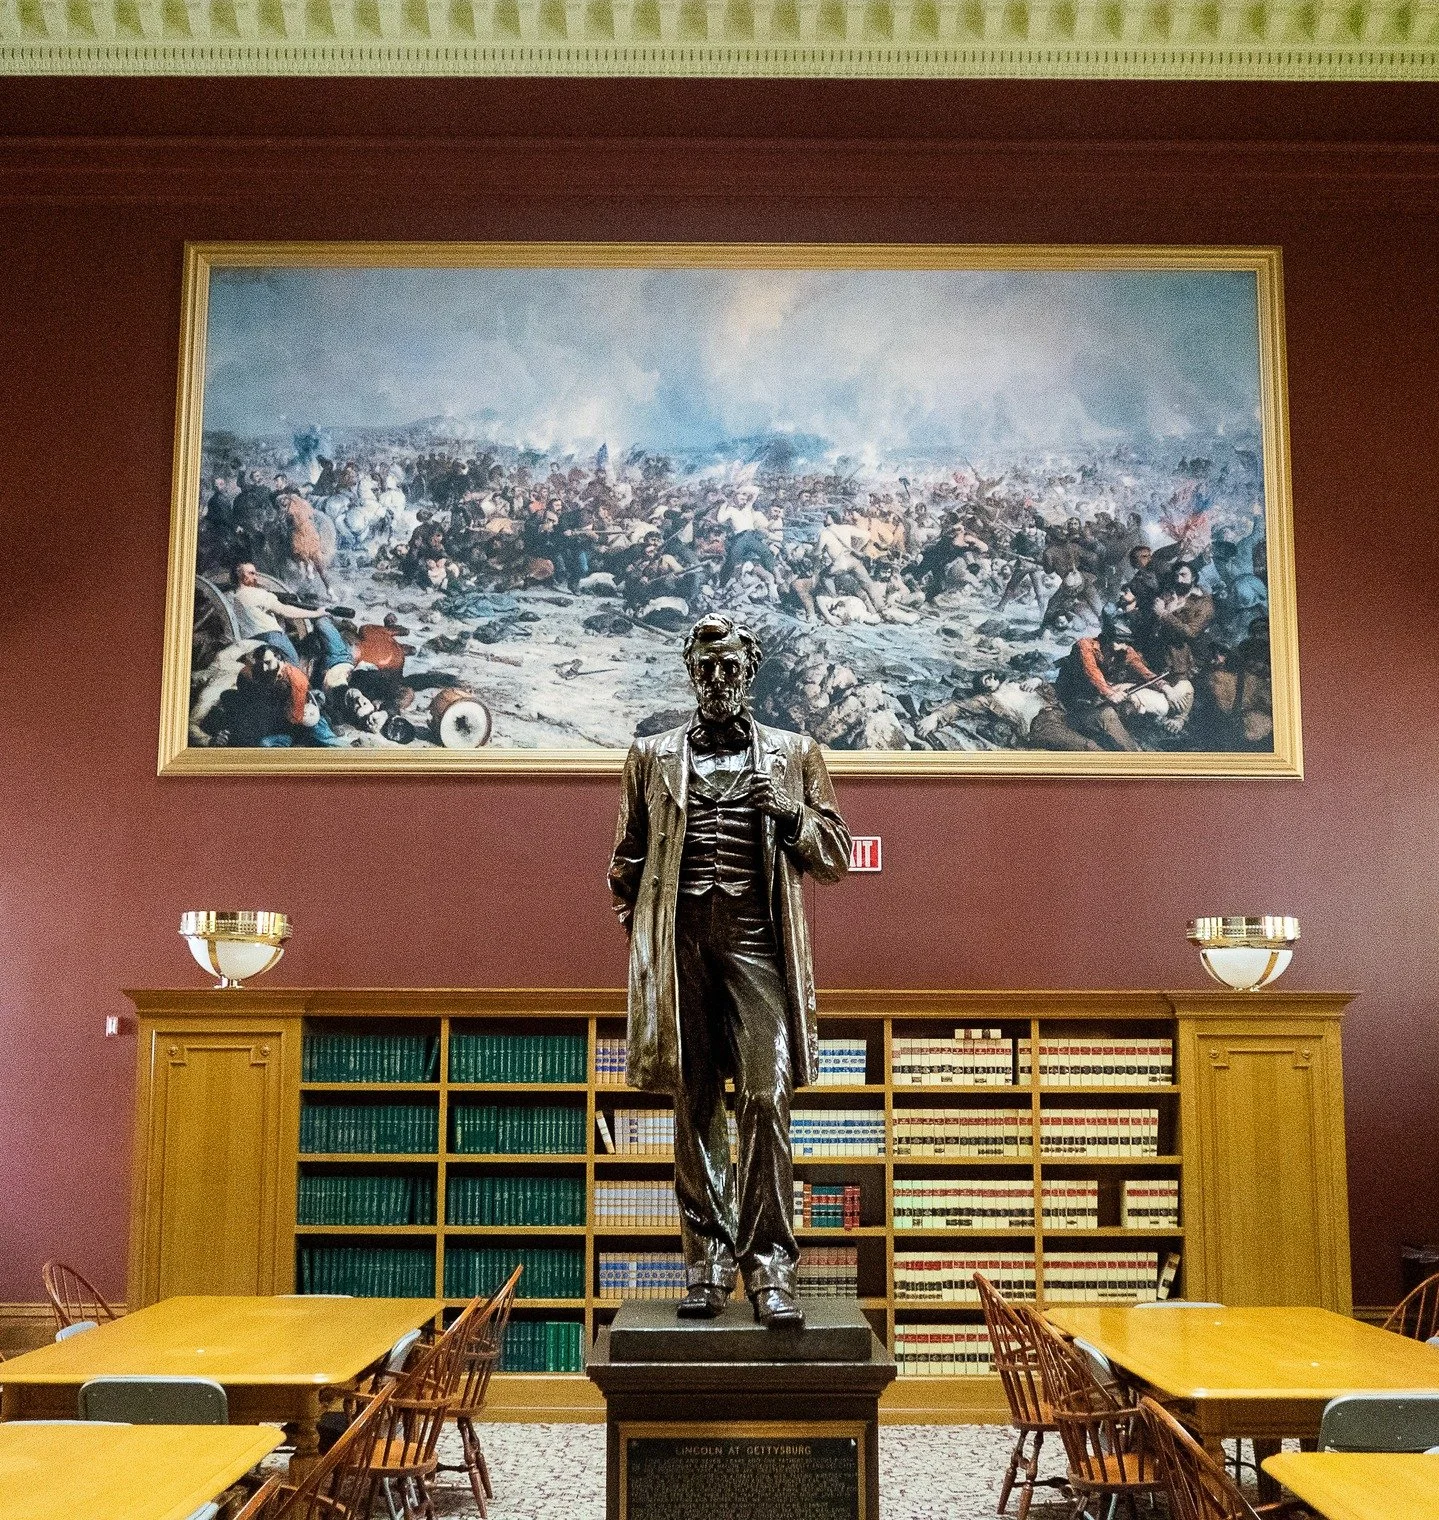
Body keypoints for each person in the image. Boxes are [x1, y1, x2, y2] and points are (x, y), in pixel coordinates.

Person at [608, 615, 851, 1328]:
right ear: (690, 671)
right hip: (679, 945)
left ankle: (770, 1266)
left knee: (765, 1097)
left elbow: (832, 857)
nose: (717, 680)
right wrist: (647, 936)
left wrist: (793, 818)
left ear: (751, 671)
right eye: (706, 668)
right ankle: (707, 1264)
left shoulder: (795, 753)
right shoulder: (650, 755)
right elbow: (625, 860)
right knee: (694, 1104)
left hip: (756, 946)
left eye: (730, 668)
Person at [1053, 613, 1162, 751]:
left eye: (1127, 642)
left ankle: (1133, 743)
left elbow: (1144, 671)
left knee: (1131, 707)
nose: (1125, 647)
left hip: (1097, 701)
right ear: (1107, 638)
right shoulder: (1085, 645)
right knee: (1108, 714)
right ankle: (1134, 754)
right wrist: (1109, 693)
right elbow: (1091, 671)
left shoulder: (1124, 649)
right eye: (1120, 641)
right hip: (1072, 705)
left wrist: (1164, 686)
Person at [231, 562, 322, 666]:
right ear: (239, 575)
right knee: (293, 667)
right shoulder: (258, 594)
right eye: (251, 573)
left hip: (250, 643)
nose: (255, 577)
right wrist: (316, 613)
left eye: (255, 573)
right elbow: (285, 611)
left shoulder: (234, 598)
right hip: (272, 638)